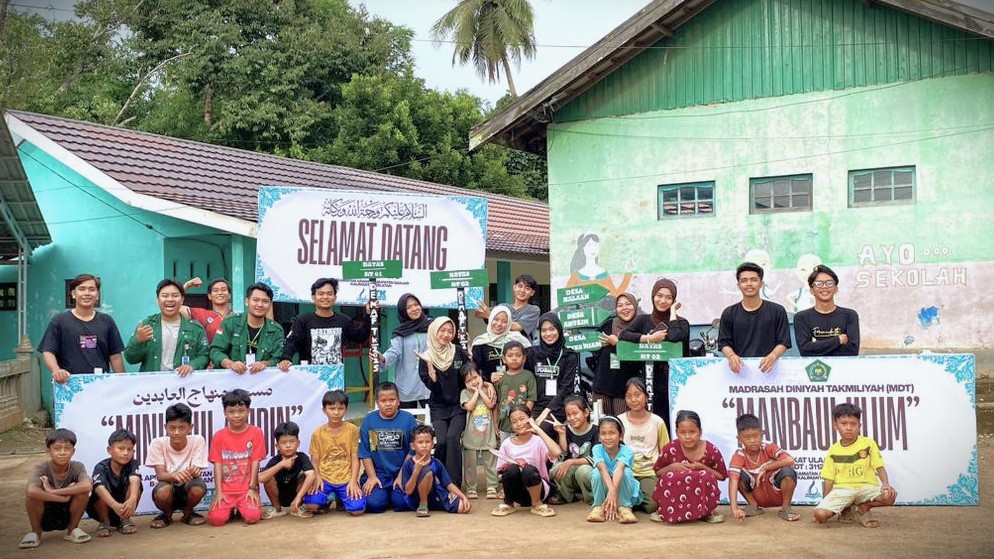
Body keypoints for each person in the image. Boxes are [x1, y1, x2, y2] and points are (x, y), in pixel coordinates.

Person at [814, 403, 897, 528]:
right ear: (835, 425)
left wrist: (885, 484)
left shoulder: (868, 443)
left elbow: (879, 466)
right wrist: (825, 501)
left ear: (859, 426)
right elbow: (829, 480)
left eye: (853, 424)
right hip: (843, 490)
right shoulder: (833, 450)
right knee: (820, 514)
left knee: (889, 496)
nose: (849, 428)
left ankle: (864, 507)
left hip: (866, 488)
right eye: (844, 424)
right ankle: (846, 507)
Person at [617, 278, 690, 421]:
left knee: (670, 422)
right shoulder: (643, 320)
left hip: (672, 384)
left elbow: (675, 336)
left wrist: (673, 313)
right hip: (647, 384)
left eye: (668, 297)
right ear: (653, 297)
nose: (663, 300)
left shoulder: (682, 323)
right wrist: (649, 338)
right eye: (659, 296)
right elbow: (624, 335)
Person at [39, 273, 125, 383]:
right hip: (68, 385)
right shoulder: (60, 321)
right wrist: (57, 370)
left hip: (100, 385)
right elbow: (48, 351)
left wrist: (123, 382)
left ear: (97, 295)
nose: (87, 293)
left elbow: (115, 356)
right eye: (82, 289)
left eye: (92, 289)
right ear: (73, 294)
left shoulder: (107, 321)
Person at [417, 316, 469, 488]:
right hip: (438, 406)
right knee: (442, 440)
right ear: (434, 331)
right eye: (442, 330)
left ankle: (454, 484)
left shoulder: (459, 351)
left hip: (458, 405)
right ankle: (437, 479)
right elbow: (431, 386)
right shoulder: (426, 357)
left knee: (453, 438)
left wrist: (482, 384)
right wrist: (432, 375)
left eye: (450, 331)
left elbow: (469, 374)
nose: (446, 335)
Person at [19, 428, 93, 548]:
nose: (62, 452)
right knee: (32, 496)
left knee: (82, 492)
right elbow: (31, 490)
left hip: (68, 511)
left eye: (67, 448)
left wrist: (53, 490)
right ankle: (35, 532)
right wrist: (62, 498)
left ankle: (72, 530)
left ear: (73, 451)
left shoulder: (77, 466)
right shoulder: (42, 468)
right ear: (48, 451)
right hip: (45, 511)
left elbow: (87, 485)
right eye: (57, 448)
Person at [651, 410, 727, 524]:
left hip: (703, 499)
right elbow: (658, 472)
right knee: (669, 476)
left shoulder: (711, 450)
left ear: (700, 432)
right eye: (683, 432)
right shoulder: (670, 448)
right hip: (674, 501)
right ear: (676, 432)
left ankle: (707, 512)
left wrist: (702, 467)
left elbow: (722, 476)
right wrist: (672, 466)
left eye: (692, 432)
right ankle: (665, 511)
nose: (687, 437)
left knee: (705, 476)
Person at [278, 278, 371, 370]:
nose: (325, 297)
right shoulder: (303, 320)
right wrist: (286, 358)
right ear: (313, 297)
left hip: (335, 376)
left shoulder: (343, 320)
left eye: (330, 294)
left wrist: (368, 314)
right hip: (308, 376)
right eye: (321, 293)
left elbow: (361, 337)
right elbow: (292, 341)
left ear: (335, 297)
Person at [124, 279, 210, 376]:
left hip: (183, 385)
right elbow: (130, 359)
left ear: (182, 300)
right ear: (157, 300)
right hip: (153, 387)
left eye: (175, 295)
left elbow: (204, 356)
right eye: (165, 296)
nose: (170, 299)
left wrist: (192, 365)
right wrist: (137, 341)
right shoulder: (147, 325)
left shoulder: (195, 328)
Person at [717, 262, 791, 374]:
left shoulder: (777, 311)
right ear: (738, 285)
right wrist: (731, 356)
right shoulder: (729, 313)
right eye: (744, 280)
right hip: (739, 372)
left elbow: (784, 342)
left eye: (754, 280)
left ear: (761, 284)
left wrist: (773, 356)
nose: (749, 284)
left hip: (770, 371)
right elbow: (724, 343)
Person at [207, 389, 265, 526]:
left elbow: (255, 461)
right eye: (231, 412)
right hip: (226, 490)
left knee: (252, 517)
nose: (236, 416)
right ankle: (229, 510)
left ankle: (241, 509)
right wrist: (219, 492)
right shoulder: (219, 436)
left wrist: (252, 488)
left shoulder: (256, 433)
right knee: (217, 520)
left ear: (248, 411)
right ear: (225, 413)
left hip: (246, 490)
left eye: (241, 411)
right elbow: (218, 464)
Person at [491, 405, 563, 518]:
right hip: (518, 493)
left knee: (528, 469)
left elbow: (557, 452)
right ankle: (508, 503)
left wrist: (538, 429)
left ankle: (537, 504)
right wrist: (514, 463)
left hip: (539, 490)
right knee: (512, 469)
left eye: (522, 419)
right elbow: (501, 471)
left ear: (530, 419)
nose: (519, 424)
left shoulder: (539, 441)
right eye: (514, 421)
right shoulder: (507, 444)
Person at [358, 382, 420, 513]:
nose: (388, 404)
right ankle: (384, 495)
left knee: (402, 503)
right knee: (374, 504)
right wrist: (372, 477)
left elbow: (414, 450)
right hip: (379, 474)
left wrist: (402, 475)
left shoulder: (408, 419)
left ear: (398, 401)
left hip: (403, 472)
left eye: (392, 400)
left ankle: (393, 495)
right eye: (383, 400)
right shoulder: (370, 421)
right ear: (377, 402)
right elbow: (366, 452)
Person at [304, 390, 366, 516]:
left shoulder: (353, 430)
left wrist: (353, 481)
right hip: (325, 478)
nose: (336, 412)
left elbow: (355, 458)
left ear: (346, 409)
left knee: (358, 510)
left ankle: (342, 499)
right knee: (311, 506)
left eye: (340, 408)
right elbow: (314, 460)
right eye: (332, 408)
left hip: (346, 478)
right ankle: (327, 499)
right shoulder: (318, 433)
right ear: (324, 410)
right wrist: (318, 477)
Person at [146, 402, 208, 528]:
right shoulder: (158, 443)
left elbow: (196, 471)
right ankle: (167, 514)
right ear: (165, 427)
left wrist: (194, 472)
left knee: (198, 487)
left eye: (182, 427)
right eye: (172, 427)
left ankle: (188, 512)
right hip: (168, 485)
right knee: (163, 491)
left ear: (190, 427)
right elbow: (160, 475)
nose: (176, 432)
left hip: (188, 485)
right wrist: (176, 476)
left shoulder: (197, 440)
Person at [728, 413, 799, 522]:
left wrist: (766, 467)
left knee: (788, 472)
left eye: (756, 436)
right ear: (739, 439)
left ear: (762, 434)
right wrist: (734, 509)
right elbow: (733, 481)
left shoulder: (768, 447)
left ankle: (785, 509)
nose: (752, 440)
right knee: (736, 474)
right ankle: (753, 507)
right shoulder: (739, 455)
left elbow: (790, 460)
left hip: (775, 492)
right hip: (757, 496)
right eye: (747, 437)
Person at [210, 282, 286, 373]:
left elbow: (278, 358)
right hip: (233, 380)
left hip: (262, 383)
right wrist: (230, 364)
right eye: (255, 300)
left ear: (270, 304)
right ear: (247, 301)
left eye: (265, 301)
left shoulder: (276, 330)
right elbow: (215, 351)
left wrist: (266, 363)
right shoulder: (230, 323)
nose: (260, 305)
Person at [618, 378, 669, 514]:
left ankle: (635, 497)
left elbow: (665, 450)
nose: (633, 399)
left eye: (637, 395)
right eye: (629, 396)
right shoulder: (620, 421)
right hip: (625, 471)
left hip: (649, 472)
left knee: (652, 506)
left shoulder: (657, 422)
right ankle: (632, 496)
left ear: (646, 397)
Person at [400, 425, 472, 517]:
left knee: (463, 507)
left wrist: (463, 497)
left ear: (433, 444)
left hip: (437, 495)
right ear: (413, 446)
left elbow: (448, 484)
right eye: (420, 442)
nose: (424, 445)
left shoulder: (436, 462)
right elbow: (408, 491)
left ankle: (434, 505)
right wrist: (416, 471)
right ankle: (423, 504)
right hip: (416, 499)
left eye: (428, 442)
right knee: (428, 472)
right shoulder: (408, 464)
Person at [526, 312, 581, 427]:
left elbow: (566, 389)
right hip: (536, 405)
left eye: (552, 329)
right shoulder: (532, 354)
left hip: (558, 406)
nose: (548, 334)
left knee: (542, 429)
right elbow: (526, 381)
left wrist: (545, 412)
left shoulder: (569, 356)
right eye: (544, 330)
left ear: (559, 330)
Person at [793, 264, 860, 356]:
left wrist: (816, 346)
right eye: (819, 284)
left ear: (836, 289)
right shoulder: (801, 317)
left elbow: (852, 350)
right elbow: (805, 351)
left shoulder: (849, 315)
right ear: (812, 290)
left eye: (829, 283)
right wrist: (838, 340)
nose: (824, 287)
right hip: (815, 368)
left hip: (844, 367)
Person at [594, 292, 642, 415]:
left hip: (625, 389)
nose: (624, 308)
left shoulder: (641, 328)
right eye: (620, 305)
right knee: (602, 427)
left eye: (628, 304)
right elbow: (593, 346)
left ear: (635, 306)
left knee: (623, 426)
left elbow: (638, 355)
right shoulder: (608, 325)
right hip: (602, 386)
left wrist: (617, 344)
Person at [87, 429, 142, 537]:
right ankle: (104, 522)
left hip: (125, 508)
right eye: (121, 448)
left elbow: (135, 479)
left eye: (130, 449)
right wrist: (114, 505)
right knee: (98, 489)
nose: (126, 453)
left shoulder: (132, 464)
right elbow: (99, 488)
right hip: (104, 508)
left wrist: (132, 498)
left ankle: (125, 521)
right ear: (109, 450)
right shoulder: (101, 467)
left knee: (137, 485)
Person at [381, 293, 432, 407]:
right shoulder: (400, 332)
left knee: (434, 421)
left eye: (416, 304)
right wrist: (383, 358)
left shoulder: (432, 326)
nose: (414, 309)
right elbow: (393, 351)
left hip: (430, 383)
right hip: (407, 384)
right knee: (407, 421)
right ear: (403, 311)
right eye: (408, 307)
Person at [587, 415, 640, 524]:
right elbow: (602, 468)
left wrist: (613, 491)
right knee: (596, 472)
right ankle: (598, 506)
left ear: (620, 436)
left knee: (626, 472)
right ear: (599, 437)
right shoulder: (597, 448)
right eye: (603, 433)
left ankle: (625, 507)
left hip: (621, 489)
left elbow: (619, 468)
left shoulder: (627, 451)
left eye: (612, 433)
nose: (607, 437)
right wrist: (611, 491)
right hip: (607, 490)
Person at [260, 421, 317, 519]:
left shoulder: (302, 457)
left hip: (297, 496)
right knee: (268, 476)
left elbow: (311, 475)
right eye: (283, 442)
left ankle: (298, 507)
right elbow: (260, 478)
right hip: (279, 496)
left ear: (298, 443)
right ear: (277, 446)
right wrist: (281, 464)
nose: (288, 445)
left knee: (306, 475)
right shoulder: (275, 460)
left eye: (292, 441)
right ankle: (277, 509)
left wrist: (298, 498)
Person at [459, 362, 499, 500]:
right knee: (470, 464)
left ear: (481, 375)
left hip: (488, 435)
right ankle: (471, 488)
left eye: (475, 377)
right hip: (471, 436)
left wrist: (482, 389)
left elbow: (490, 404)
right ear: (464, 383)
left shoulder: (488, 390)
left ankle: (492, 486)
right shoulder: (464, 393)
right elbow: (469, 406)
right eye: (468, 380)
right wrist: (476, 392)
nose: (473, 381)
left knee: (491, 463)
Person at [549, 394, 598, 505]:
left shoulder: (596, 431)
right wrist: (562, 434)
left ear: (585, 413)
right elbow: (564, 454)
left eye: (575, 413)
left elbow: (595, 458)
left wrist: (571, 462)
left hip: (588, 471)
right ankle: (567, 496)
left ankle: (591, 498)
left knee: (583, 470)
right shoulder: (566, 429)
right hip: (571, 471)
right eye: (568, 415)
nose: (572, 418)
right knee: (558, 468)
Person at [471, 305, 531, 383]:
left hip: (515, 386)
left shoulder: (517, 339)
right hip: (489, 388)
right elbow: (475, 370)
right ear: (490, 319)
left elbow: (529, 364)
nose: (499, 324)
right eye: (496, 319)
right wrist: (488, 378)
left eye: (504, 321)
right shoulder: (480, 343)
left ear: (509, 323)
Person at [474, 274, 541, 341]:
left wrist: (490, 316)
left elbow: (517, 327)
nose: (522, 290)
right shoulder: (503, 306)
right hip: (500, 348)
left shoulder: (533, 310)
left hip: (521, 349)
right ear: (514, 288)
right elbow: (479, 313)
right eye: (520, 286)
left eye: (527, 288)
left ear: (532, 293)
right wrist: (475, 298)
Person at [493, 340, 537, 440]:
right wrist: (495, 423)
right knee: (506, 452)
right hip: (504, 425)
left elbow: (531, 400)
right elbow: (496, 403)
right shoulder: (500, 378)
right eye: (510, 355)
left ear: (524, 358)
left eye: (518, 355)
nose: (514, 358)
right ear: (504, 359)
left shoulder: (528, 376)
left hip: (523, 425)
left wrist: (525, 418)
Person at [566, 232, 632, 297]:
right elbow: (567, 296)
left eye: (596, 245)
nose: (593, 249)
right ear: (583, 249)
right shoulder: (577, 275)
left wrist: (627, 276)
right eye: (589, 245)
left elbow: (615, 295)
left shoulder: (604, 274)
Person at [181, 277, 234, 342]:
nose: (220, 293)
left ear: (229, 295)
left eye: (223, 290)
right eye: (215, 290)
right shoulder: (202, 314)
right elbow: (176, 307)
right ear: (209, 296)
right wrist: (187, 285)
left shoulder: (238, 318)